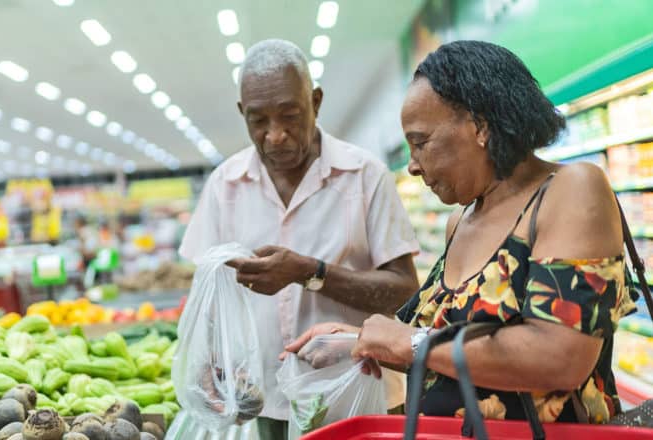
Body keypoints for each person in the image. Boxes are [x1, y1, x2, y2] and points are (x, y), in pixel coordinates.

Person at [285, 40, 637, 424]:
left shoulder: (570, 190)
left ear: (480, 127)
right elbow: (448, 354)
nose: (413, 166)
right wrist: (358, 340)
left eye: (420, 143)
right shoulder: (461, 221)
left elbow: (560, 358)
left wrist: (409, 342)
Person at [179, 39, 421, 437]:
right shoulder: (225, 185)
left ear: (316, 102)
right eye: (258, 121)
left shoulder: (364, 176)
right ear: (242, 113)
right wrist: (206, 361)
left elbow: (405, 293)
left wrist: (309, 272)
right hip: (265, 402)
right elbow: (207, 291)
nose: (275, 135)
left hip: (358, 398)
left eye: (290, 116)